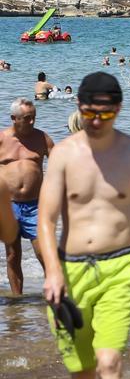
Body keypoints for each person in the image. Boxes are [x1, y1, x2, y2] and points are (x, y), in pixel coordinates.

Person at [39, 72, 130, 378]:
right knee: (82, 370)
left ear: (120, 108)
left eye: (106, 113)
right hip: (70, 272)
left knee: (109, 363)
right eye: (89, 113)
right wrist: (52, 273)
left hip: (120, 268)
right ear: (78, 106)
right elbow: (45, 220)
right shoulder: (62, 154)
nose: (97, 121)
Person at [1, 97, 54, 295]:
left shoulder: (42, 138)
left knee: (44, 254)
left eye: (34, 118)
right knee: (13, 255)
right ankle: (17, 300)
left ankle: (55, 296)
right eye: (27, 118)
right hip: (8, 205)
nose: (32, 122)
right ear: (14, 118)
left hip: (36, 205)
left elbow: (60, 165)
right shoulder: (2, 139)